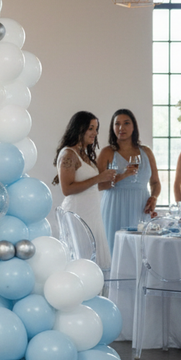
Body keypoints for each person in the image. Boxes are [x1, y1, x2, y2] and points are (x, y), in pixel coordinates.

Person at [53, 112, 116, 270]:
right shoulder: (68, 154)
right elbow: (67, 189)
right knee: (82, 263)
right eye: (91, 128)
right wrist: (98, 178)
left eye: (96, 129)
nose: (95, 133)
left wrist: (117, 178)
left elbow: (94, 187)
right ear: (79, 129)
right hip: (78, 215)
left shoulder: (84, 153)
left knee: (95, 263)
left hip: (92, 215)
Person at [98, 109, 161, 254]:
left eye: (126, 123)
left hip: (140, 206)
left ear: (134, 127)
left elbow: (155, 182)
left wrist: (154, 197)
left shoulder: (146, 152)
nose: (121, 128)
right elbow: (100, 185)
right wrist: (124, 175)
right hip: (114, 205)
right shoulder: (107, 152)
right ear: (112, 128)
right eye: (117, 124)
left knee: (140, 251)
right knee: (114, 249)